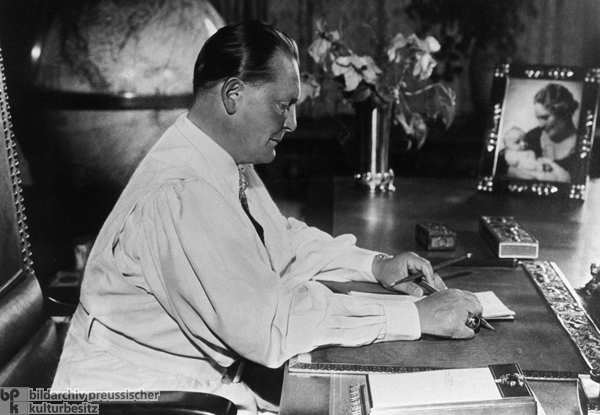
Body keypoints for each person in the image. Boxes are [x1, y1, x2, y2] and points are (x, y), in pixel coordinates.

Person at [52, 21, 482, 414]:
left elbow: (278, 240)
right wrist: (416, 318)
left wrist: (374, 264)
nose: (292, 121)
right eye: (283, 105)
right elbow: (271, 325)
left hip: (187, 384)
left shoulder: (218, 157)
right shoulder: (184, 193)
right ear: (233, 95)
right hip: (134, 397)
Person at [523, 83, 579, 182]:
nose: (541, 125)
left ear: (563, 113)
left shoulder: (583, 145)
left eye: (545, 117)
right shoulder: (532, 137)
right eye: (538, 118)